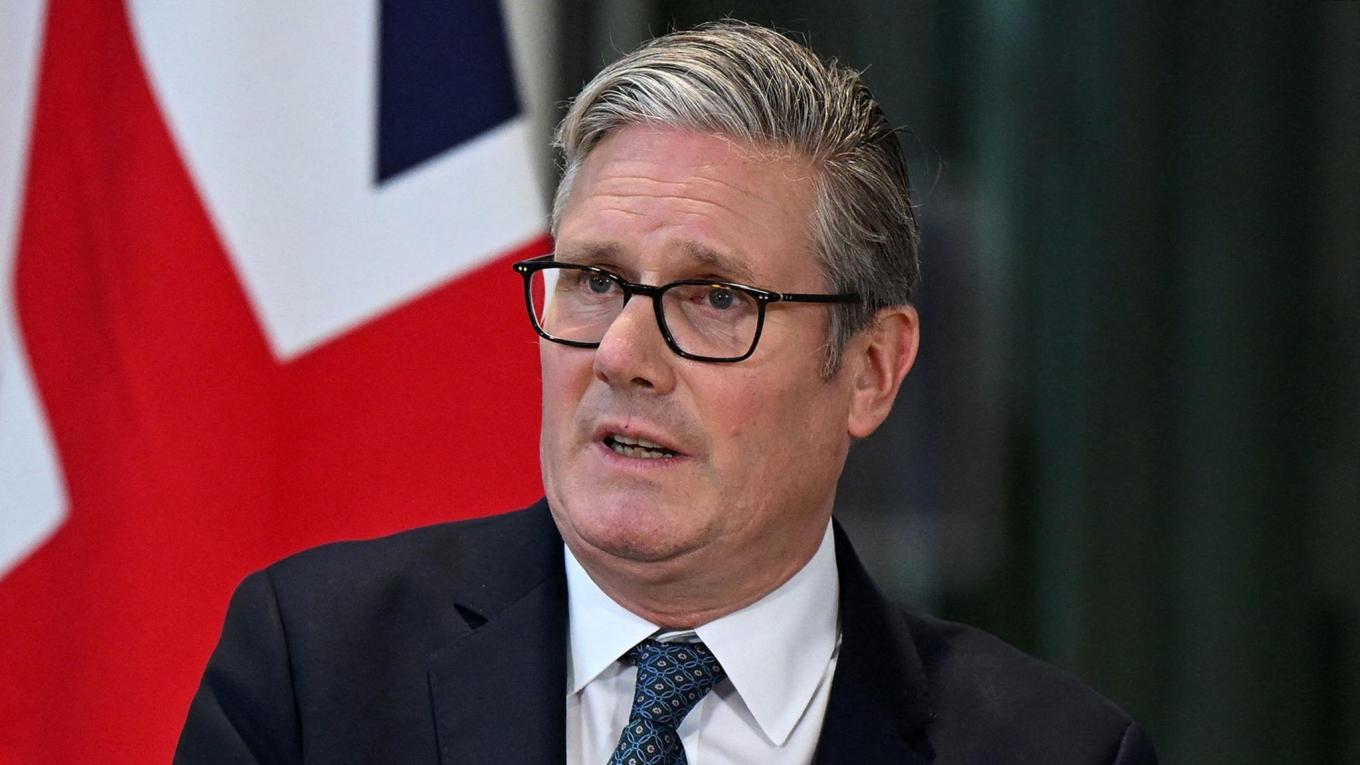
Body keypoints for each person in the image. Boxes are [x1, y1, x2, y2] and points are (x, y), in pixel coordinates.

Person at [176, 20, 1158, 764]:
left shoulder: (1056, 751)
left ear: (870, 369)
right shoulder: (314, 672)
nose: (621, 354)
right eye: (595, 279)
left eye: (716, 298)